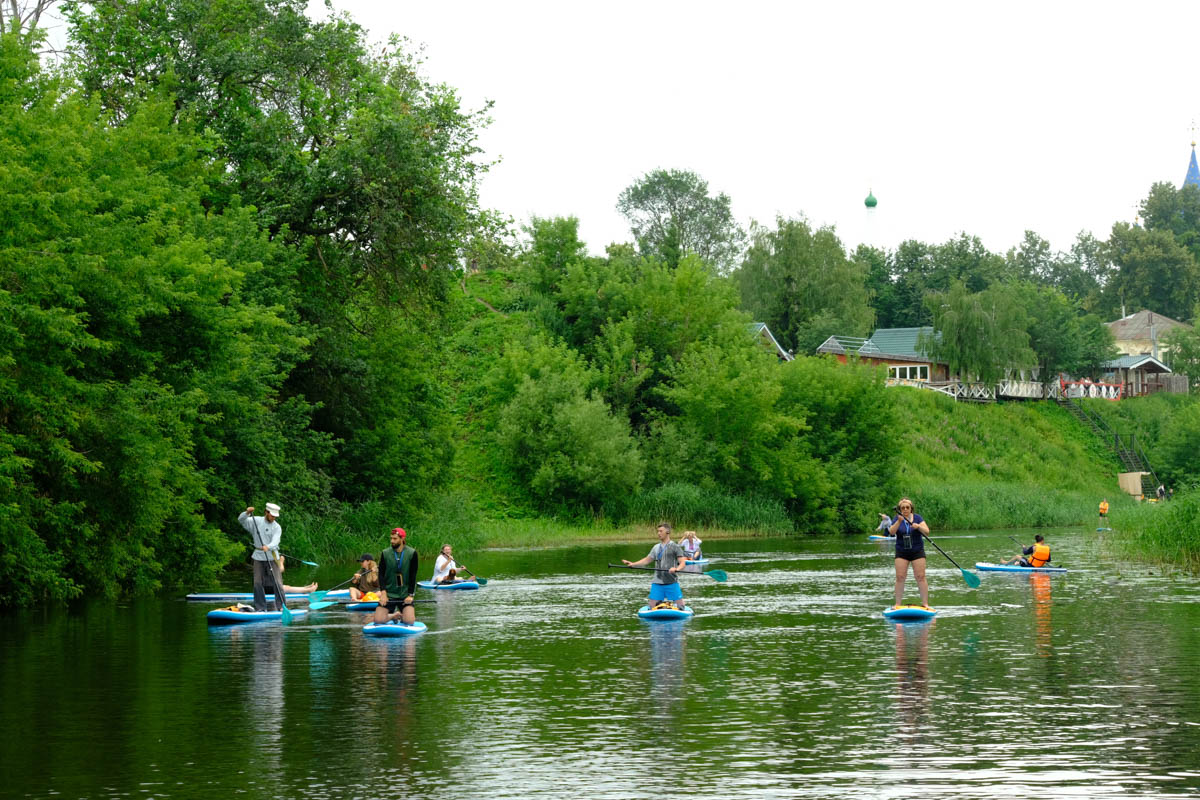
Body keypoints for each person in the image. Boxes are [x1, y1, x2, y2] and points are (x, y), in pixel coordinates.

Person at [622, 522, 687, 610]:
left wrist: (676, 568)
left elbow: (683, 562)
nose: (658, 533)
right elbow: (647, 560)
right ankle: (661, 606)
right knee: (652, 606)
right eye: (658, 531)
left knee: (681, 606)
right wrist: (633, 564)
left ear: (667, 532)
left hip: (672, 582)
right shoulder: (656, 547)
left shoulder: (675, 547)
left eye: (661, 531)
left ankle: (673, 605)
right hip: (657, 582)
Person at [239, 502, 289, 612]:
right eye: (272, 515)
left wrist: (268, 546)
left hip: (272, 556)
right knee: (257, 583)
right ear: (266, 512)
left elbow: (276, 541)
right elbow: (241, 520)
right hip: (258, 557)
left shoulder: (277, 527)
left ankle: (281, 607)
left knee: (278, 583)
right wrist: (247, 513)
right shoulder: (256, 521)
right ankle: (260, 608)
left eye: (275, 516)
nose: (274, 517)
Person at [888, 498, 931, 609]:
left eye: (908, 507)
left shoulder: (917, 518)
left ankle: (925, 603)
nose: (905, 509)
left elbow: (927, 531)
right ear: (900, 509)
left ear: (911, 508)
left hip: (917, 551)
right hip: (902, 551)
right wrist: (899, 521)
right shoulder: (897, 518)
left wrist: (918, 526)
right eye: (903, 508)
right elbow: (891, 532)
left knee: (920, 576)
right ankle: (897, 604)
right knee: (900, 577)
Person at [374, 527, 419, 625]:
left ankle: (403, 616)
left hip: (405, 595)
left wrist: (410, 595)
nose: (392, 541)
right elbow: (381, 574)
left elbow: (413, 575)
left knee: (409, 621)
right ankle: (394, 615)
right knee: (378, 621)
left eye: (395, 539)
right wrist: (383, 593)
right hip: (389, 594)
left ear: (402, 539)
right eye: (391, 538)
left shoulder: (412, 553)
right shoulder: (385, 553)